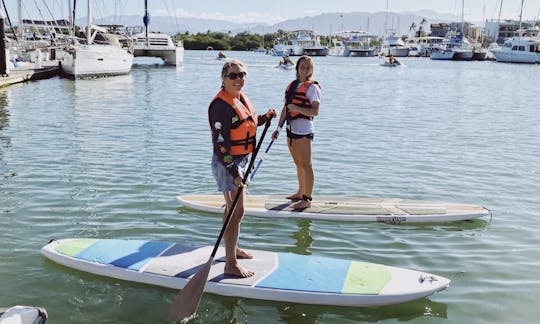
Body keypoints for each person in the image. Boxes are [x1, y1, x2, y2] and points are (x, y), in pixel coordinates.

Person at [209, 60, 276, 278]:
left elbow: (247, 122)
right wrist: (234, 173)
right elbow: (221, 145)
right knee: (237, 212)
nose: (239, 79)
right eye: (233, 76)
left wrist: (265, 118)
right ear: (223, 78)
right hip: (228, 164)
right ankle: (230, 264)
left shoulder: (240, 99)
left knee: (232, 211)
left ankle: (232, 248)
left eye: (242, 75)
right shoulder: (220, 106)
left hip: (241, 161)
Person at [273, 55, 321, 210]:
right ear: (297, 68)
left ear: (311, 70)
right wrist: (278, 129)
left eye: (308, 67)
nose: (305, 69)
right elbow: (286, 109)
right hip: (290, 129)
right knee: (298, 163)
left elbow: (315, 111)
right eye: (303, 66)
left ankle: (307, 199)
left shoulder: (313, 88)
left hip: (304, 131)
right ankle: (301, 192)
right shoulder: (292, 85)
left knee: (306, 165)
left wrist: (298, 108)